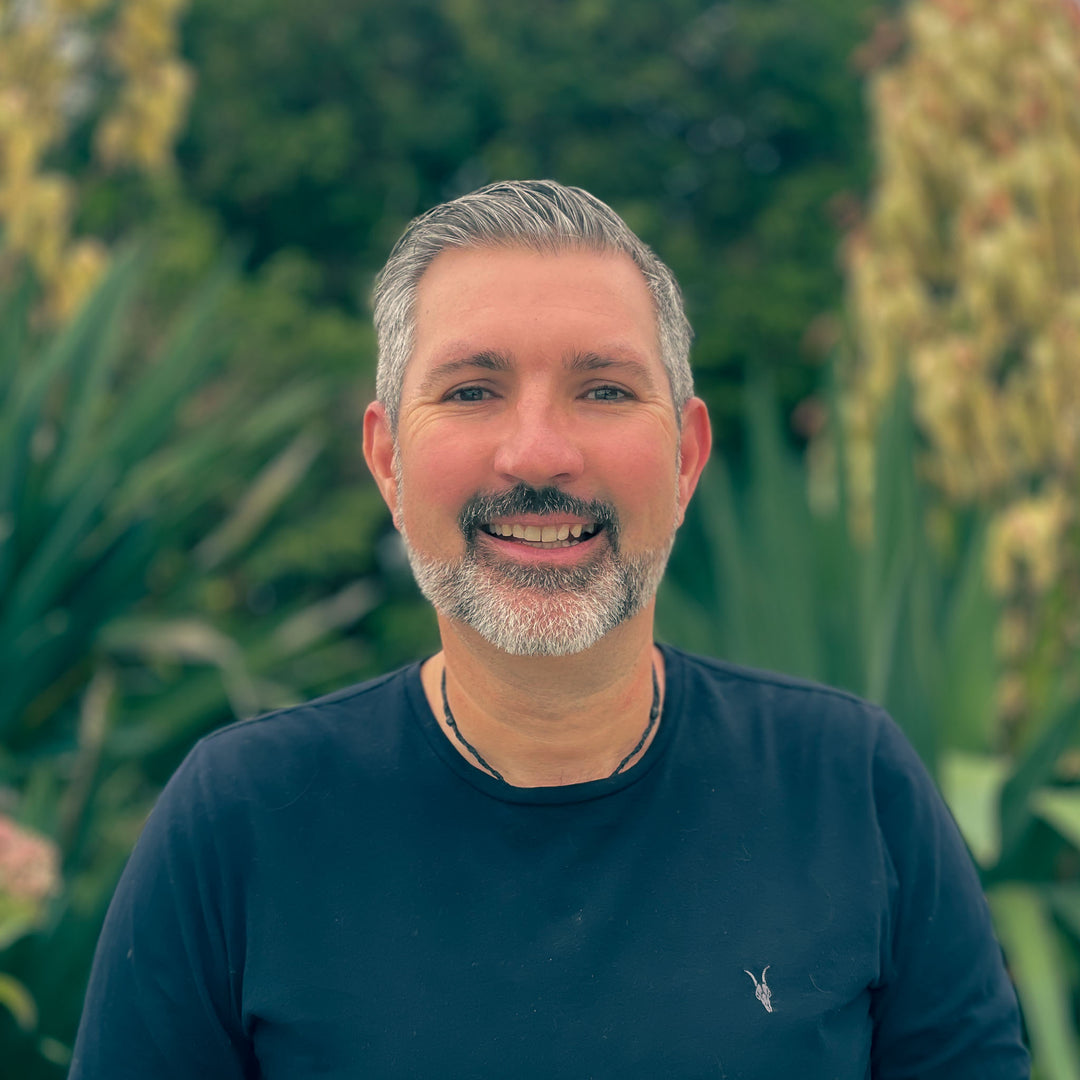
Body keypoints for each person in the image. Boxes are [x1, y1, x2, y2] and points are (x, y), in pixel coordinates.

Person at [71, 180, 1029, 1078]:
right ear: (387, 460)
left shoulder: (848, 785)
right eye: (472, 391)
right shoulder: (243, 819)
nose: (538, 453)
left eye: (605, 390)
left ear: (687, 456)